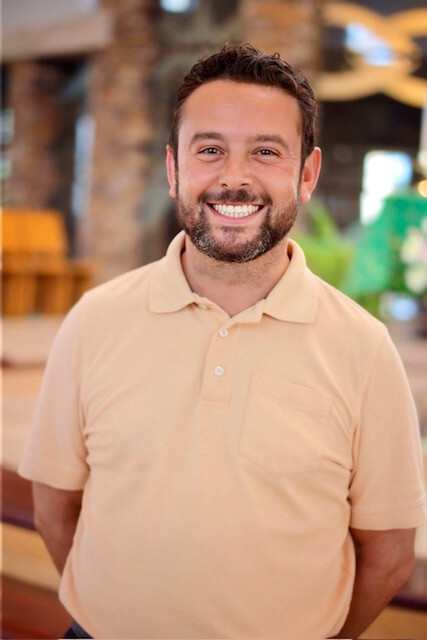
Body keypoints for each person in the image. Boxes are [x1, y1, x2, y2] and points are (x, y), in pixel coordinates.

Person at [19, 43, 426, 639]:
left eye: (266, 151)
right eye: (209, 150)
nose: (235, 178)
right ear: (173, 169)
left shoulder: (364, 349)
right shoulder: (94, 321)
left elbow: (388, 552)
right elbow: (55, 510)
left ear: (306, 174)